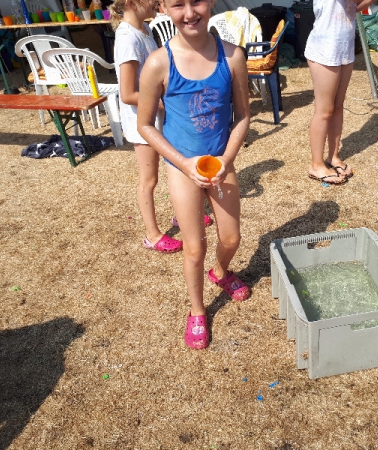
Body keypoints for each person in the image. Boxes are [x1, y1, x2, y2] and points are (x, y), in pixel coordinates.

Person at [137, 0, 251, 349]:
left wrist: (226, 159)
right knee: (194, 247)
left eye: (196, 1)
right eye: (178, 4)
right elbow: (144, 125)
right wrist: (183, 163)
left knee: (231, 238)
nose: (189, 12)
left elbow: (243, 116)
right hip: (182, 168)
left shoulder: (233, 57)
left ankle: (221, 272)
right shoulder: (158, 63)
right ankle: (198, 310)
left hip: (221, 165)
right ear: (163, 8)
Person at [110, 0, 185, 253]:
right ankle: (152, 235)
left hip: (157, 117)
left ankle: (181, 214)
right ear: (132, 2)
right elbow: (127, 93)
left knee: (174, 166)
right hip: (142, 123)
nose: (156, 1)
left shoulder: (145, 29)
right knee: (149, 179)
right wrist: (165, 103)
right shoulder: (128, 39)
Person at [304, 0, 376, 185]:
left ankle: (333, 156)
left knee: (337, 106)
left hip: (344, 46)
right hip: (325, 48)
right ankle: (316, 165)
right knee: (324, 110)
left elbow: (355, 7)